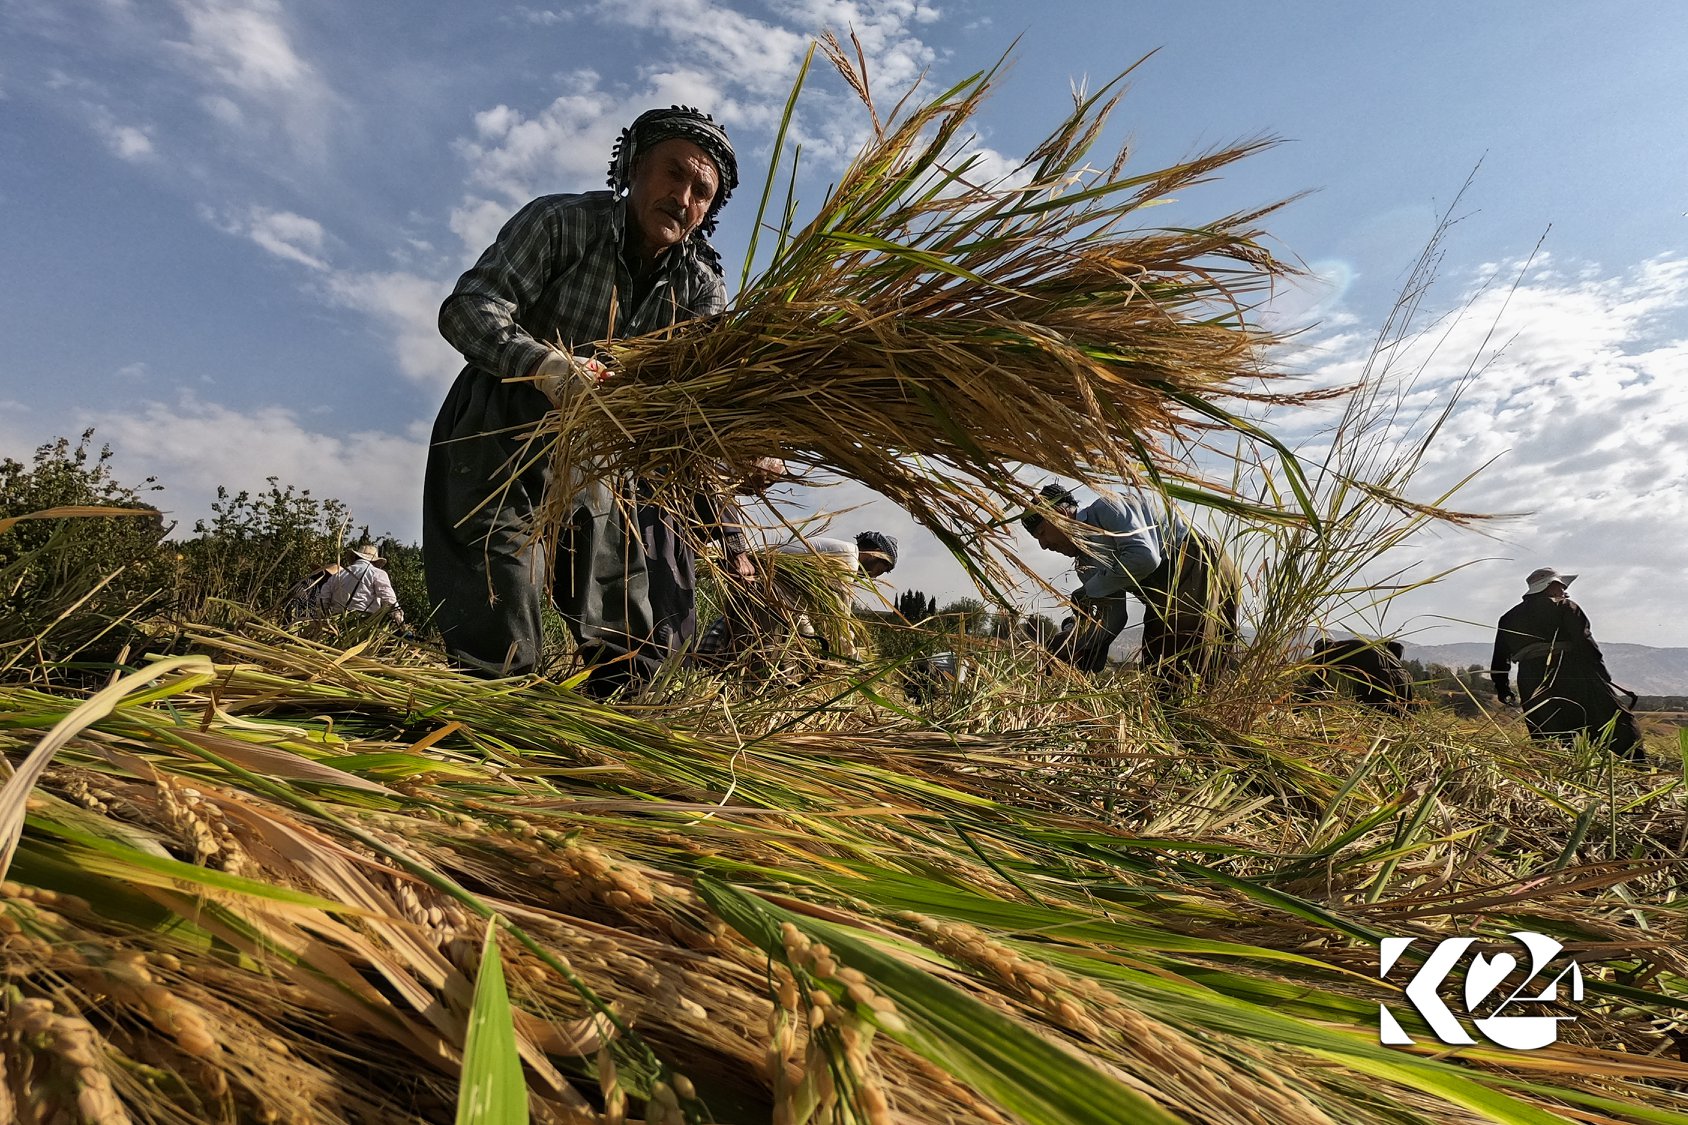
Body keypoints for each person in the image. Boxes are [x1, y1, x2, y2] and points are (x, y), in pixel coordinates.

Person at [423, 105, 752, 694]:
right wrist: (547, 365)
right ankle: (496, 706)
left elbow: (690, 392)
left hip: (599, 441)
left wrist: (737, 446)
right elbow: (469, 309)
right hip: (503, 413)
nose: (683, 197)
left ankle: (620, 716)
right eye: (673, 174)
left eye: (702, 191)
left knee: (614, 583)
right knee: (497, 568)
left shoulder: (699, 283)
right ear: (631, 168)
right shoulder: (562, 222)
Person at [1021, 483, 1239, 696]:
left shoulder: (1108, 508)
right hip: (1170, 588)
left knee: (1176, 668)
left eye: (1042, 533)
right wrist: (1074, 642)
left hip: (1197, 563)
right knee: (1170, 668)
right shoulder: (1085, 565)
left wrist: (1088, 591)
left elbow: (1144, 558)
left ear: (1059, 513)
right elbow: (1114, 618)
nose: (1044, 545)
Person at [1490, 567, 1643, 760]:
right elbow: (1585, 642)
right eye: (1561, 586)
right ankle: (1638, 765)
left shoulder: (1508, 618)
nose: (1564, 590)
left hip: (1530, 678)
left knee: (1547, 729)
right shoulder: (1565, 607)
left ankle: (1554, 772)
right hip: (1571, 670)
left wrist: (1502, 687)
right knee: (1615, 718)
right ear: (1551, 587)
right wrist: (1602, 675)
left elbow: (1500, 656)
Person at [694, 531, 898, 664]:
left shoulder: (840, 553)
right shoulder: (848, 558)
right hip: (763, 584)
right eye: (884, 569)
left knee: (733, 631)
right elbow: (840, 619)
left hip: (758, 582)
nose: (878, 575)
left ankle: (704, 662)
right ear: (877, 553)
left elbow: (805, 604)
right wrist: (853, 660)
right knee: (763, 657)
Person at [318, 544, 403, 622]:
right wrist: (400, 621)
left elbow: (323, 600)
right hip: (363, 623)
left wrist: (325, 619)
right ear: (374, 561)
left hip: (336, 622)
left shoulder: (337, 575)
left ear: (356, 557)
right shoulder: (377, 573)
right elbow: (389, 599)